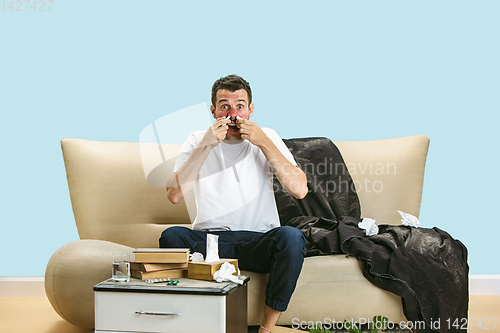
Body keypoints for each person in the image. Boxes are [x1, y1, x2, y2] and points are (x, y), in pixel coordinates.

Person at [159, 74, 308, 333]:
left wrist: (262, 141)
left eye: (240, 106)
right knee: (170, 236)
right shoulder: (197, 139)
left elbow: (300, 190)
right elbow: (174, 195)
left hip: (258, 241)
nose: (233, 114)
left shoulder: (267, 136)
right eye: (224, 106)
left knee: (292, 238)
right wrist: (205, 145)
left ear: (250, 110)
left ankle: (266, 329)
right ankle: (189, 324)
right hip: (209, 243)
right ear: (213, 111)